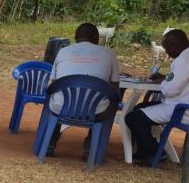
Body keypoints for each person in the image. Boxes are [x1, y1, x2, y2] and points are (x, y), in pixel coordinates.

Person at [47, 23, 120, 157]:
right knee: (111, 102)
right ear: (97, 38)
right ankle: (90, 150)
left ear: (75, 37)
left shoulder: (63, 51)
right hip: (96, 112)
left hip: (61, 108)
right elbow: (115, 87)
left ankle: (49, 144)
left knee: (56, 98)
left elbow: (54, 82)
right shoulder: (109, 54)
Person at [125, 29, 189, 164]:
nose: (167, 53)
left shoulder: (183, 60)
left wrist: (164, 83)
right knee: (140, 108)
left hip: (180, 109)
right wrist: (166, 78)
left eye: (167, 49)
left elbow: (171, 89)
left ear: (174, 46)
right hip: (181, 104)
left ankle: (153, 151)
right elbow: (180, 80)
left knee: (133, 117)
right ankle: (143, 150)